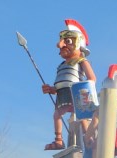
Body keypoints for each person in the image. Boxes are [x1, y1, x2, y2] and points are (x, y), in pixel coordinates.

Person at [41, 19, 96, 150]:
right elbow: (62, 84)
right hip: (64, 94)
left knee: (83, 118)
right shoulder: (61, 65)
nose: (60, 45)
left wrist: (84, 91)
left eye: (67, 41)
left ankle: (89, 139)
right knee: (57, 115)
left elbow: (92, 78)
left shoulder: (81, 61)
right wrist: (51, 89)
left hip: (77, 93)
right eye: (61, 41)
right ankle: (59, 140)